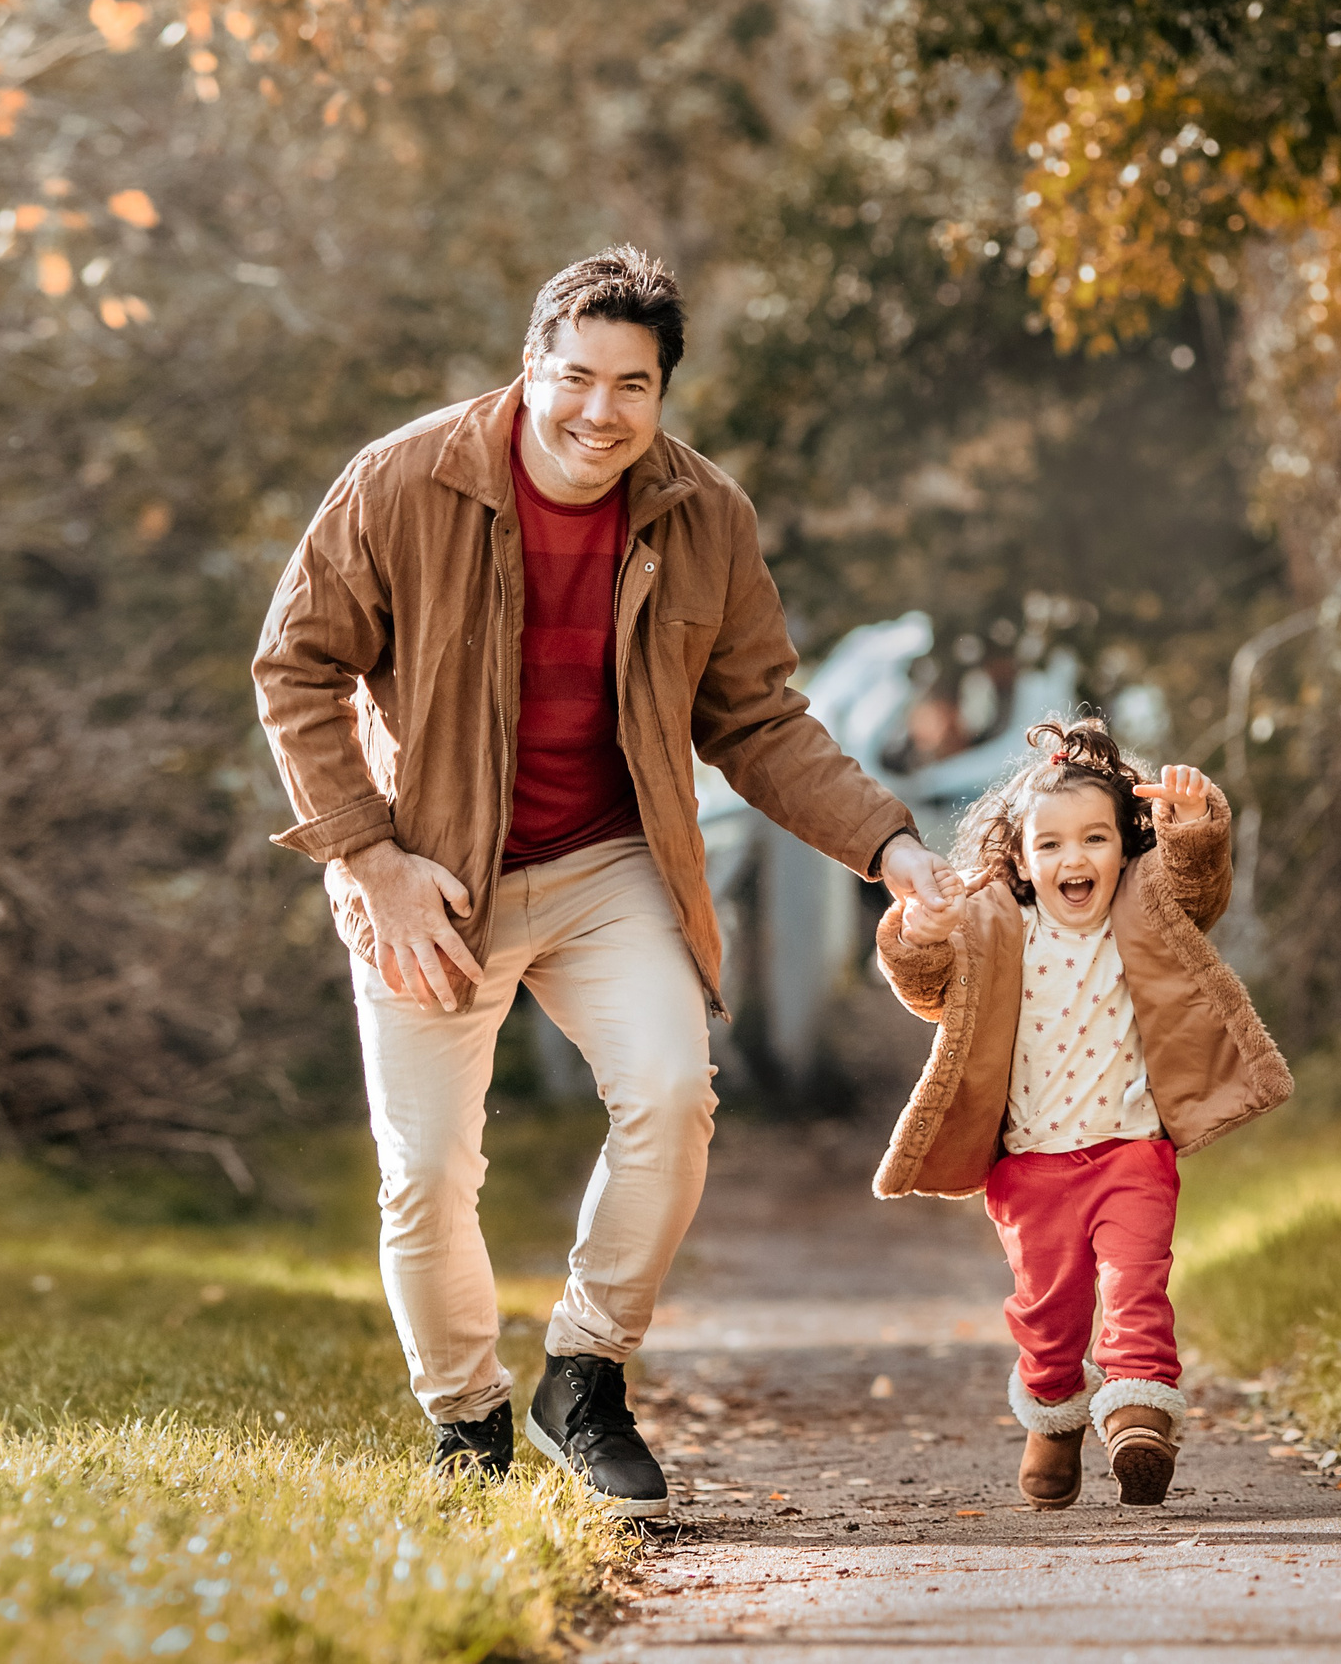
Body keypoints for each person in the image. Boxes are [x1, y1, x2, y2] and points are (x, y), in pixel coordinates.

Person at [251, 245, 958, 1517]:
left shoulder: (704, 517)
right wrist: (371, 857)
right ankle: (465, 1423)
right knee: (424, 1170)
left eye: (632, 386)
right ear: (530, 370)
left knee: (674, 1093)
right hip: (431, 880)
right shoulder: (402, 482)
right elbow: (294, 671)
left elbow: (761, 723)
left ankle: (584, 1377)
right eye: (575, 377)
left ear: (663, 392)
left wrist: (890, 847)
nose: (599, 412)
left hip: (606, 862)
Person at [870, 717, 1293, 1509]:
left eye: (1096, 839)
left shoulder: (1145, 905)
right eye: (1053, 844)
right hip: (1029, 1165)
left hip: (1131, 1149)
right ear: (1020, 858)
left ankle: (1138, 1414)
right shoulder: (994, 925)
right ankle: (1054, 1415)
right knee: (1047, 1313)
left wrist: (1195, 825)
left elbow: (1198, 884)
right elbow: (928, 985)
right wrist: (919, 931)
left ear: (1123, 846)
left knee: (1138, 1283)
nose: (1076, 859)